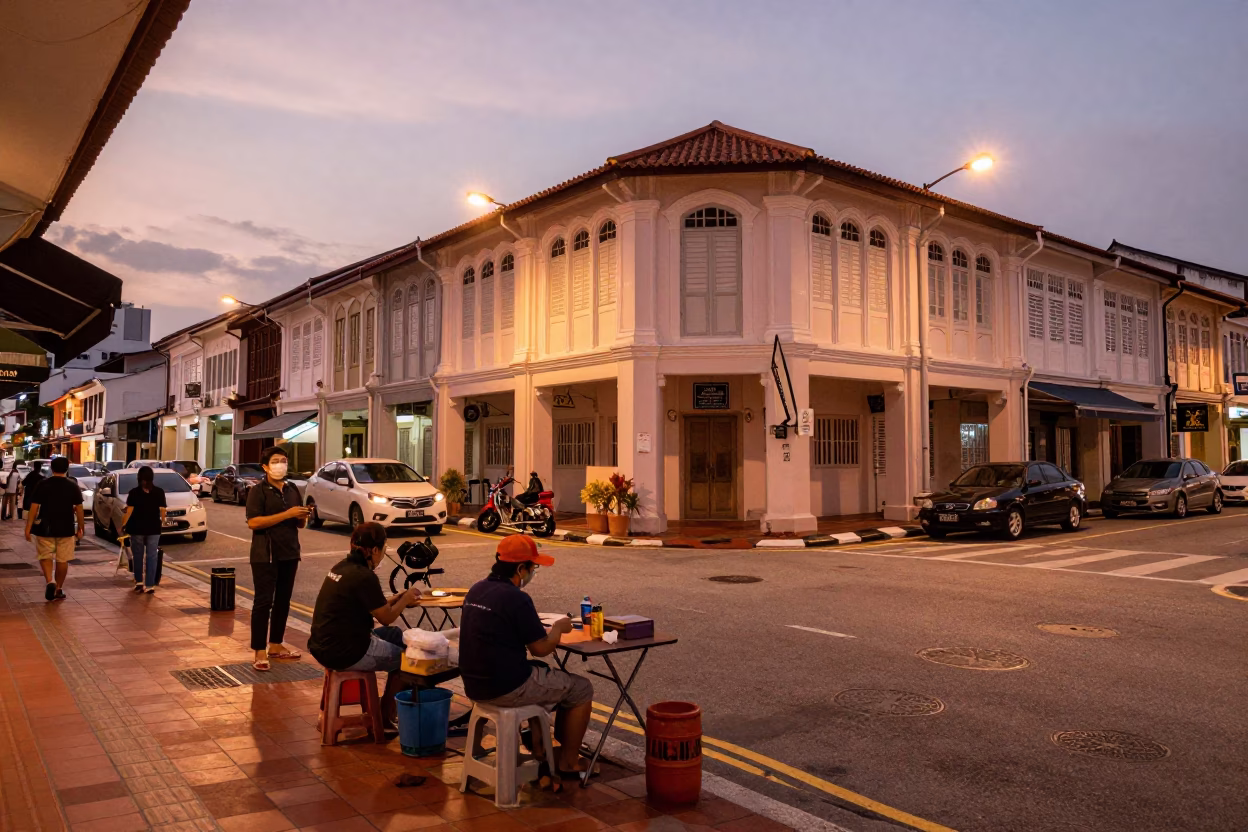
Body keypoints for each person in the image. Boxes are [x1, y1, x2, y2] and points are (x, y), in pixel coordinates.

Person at [459, 534, 595, 782]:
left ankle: (542, 747)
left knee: (544, 674)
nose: (533, 573)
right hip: (507, 687)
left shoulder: (477, 589)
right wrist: (558, 629)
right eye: (533, 568)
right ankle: (568, 760)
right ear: (521, 569)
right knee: (581, 688)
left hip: (474, 683)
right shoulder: (516, 597)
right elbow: (540, 648)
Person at [308, 522, 423, 723]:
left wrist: (396, 598)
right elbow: (385, 618)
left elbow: (372, 606)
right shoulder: (364, 576)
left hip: (322, 645)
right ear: (375, 550)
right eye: (384, 550)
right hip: (347, 651)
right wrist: (405, 599)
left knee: (396, 635)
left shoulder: (342, 568)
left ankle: (390, 708)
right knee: (409, 660)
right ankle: (385, 718)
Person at [246, 445, 309, 671]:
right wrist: (287, 514)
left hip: (289, 551)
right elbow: (253, 522)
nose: (280, 464)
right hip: (265, 554)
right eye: (275, 461)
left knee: (283, 600)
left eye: (283, 460)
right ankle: (259, 650)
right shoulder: (258, 491)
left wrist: (302, 516)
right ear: (265, 467)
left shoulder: (292, 489)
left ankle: (275, 644)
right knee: (264, 602)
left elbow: (297, 523)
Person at [24, 457, 84, 602]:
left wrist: (28, 527)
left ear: (52, 468)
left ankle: (50, 580)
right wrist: (81, 527)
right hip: (66, 527)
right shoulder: (72, 486)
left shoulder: (42, 484)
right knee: (63, 560)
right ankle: (58, 589)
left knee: (45, 556)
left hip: (45, 527)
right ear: (67, 469)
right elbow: (79, 509)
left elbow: (34, 507)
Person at [121, 465, 167, 593]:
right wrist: (162, 521)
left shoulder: (134, 492)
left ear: (139, 478)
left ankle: (139, 582)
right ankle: (150, 585)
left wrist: (123, 524)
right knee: (152, 556)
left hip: (137, 528)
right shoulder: (159, 492)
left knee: (138, 555)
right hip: (153, 527)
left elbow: (129, 511)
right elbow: (162, 510)